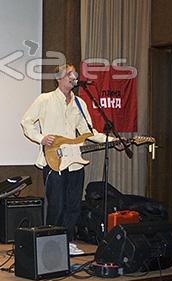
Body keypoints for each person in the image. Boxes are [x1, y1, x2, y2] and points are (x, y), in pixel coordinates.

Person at [20, 63, 110, 256]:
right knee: (57, 205)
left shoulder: (80, 103)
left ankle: (67, 241)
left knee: (73, 205)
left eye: (75, 74)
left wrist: (112, 140)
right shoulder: (45, 99)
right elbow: (26, 121)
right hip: (54, 161)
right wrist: (41, 138)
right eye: (70, 74)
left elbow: (88, 132)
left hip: (75, 160)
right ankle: (50, 244)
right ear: (59, 78)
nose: (74, 77)